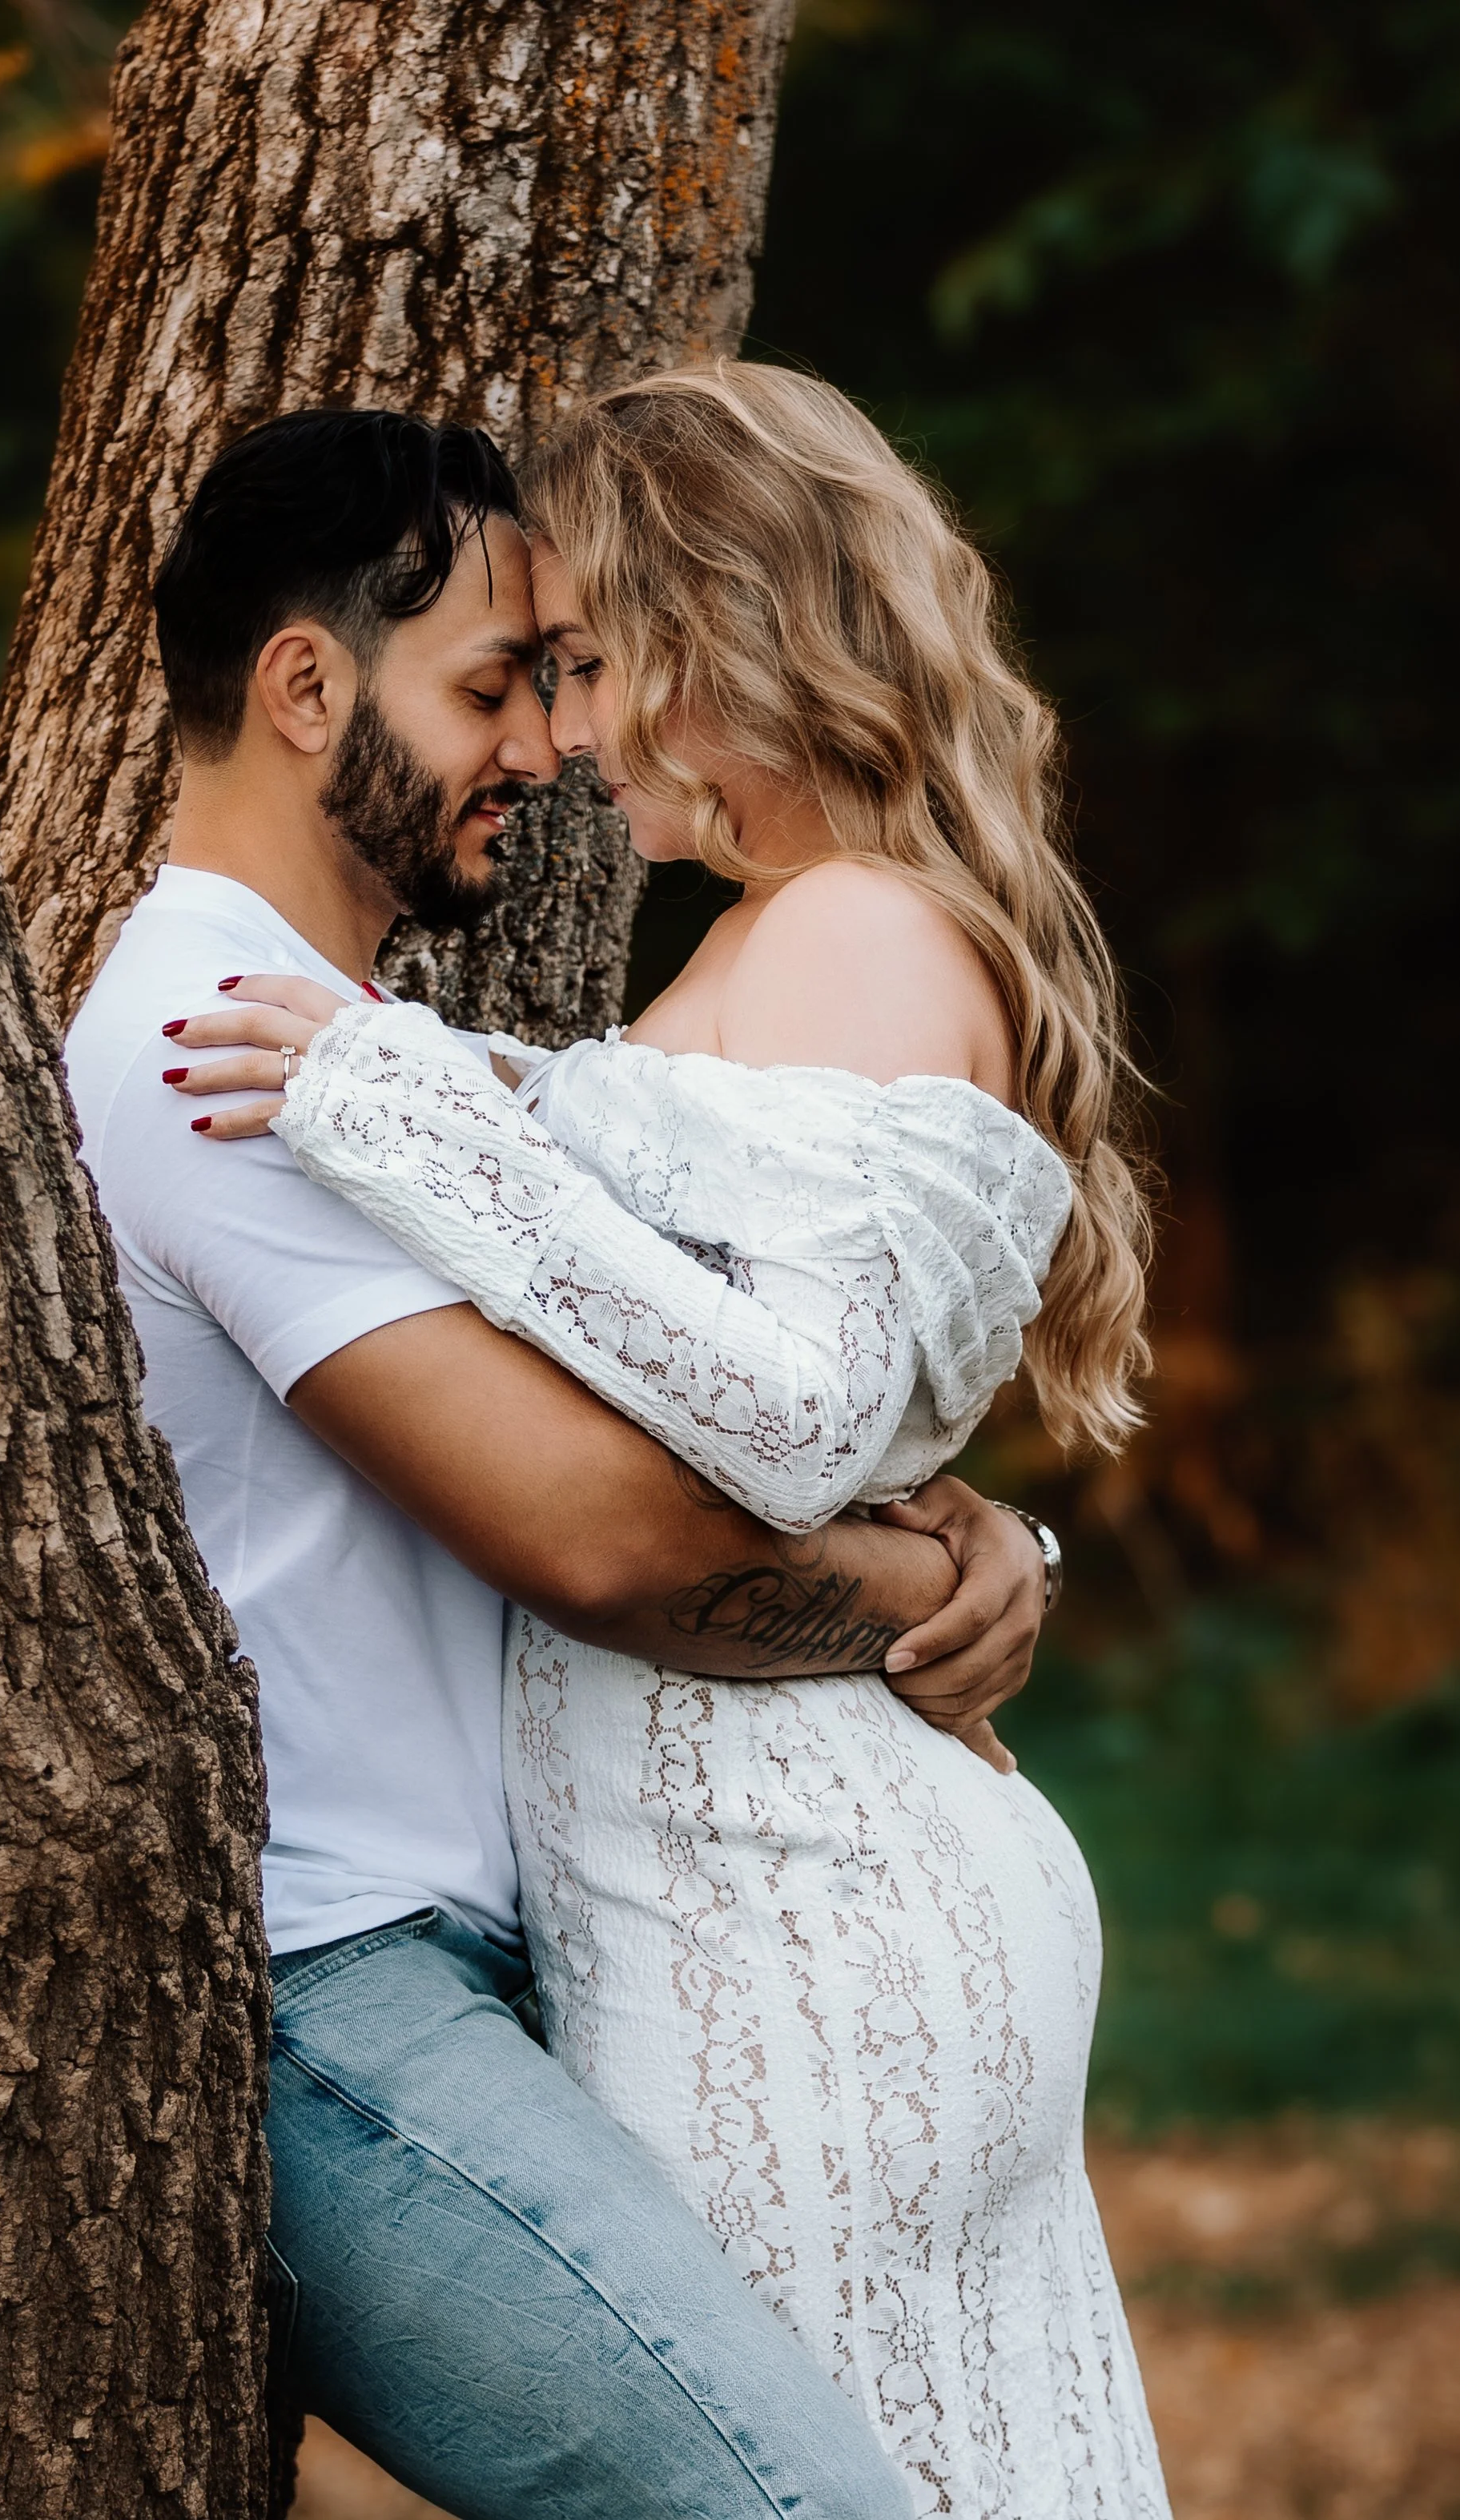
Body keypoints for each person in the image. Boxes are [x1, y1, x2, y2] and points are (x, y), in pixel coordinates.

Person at [173, 369, 1171, 2518]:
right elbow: (788, 1363)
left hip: (793, 1904)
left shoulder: (862, 927)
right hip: (736, 1877)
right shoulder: (782, 939)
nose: (576, 733)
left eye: (605, 661)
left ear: (733, 629)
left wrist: (392, 1098)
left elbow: (792, 1412)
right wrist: (971, 1534)